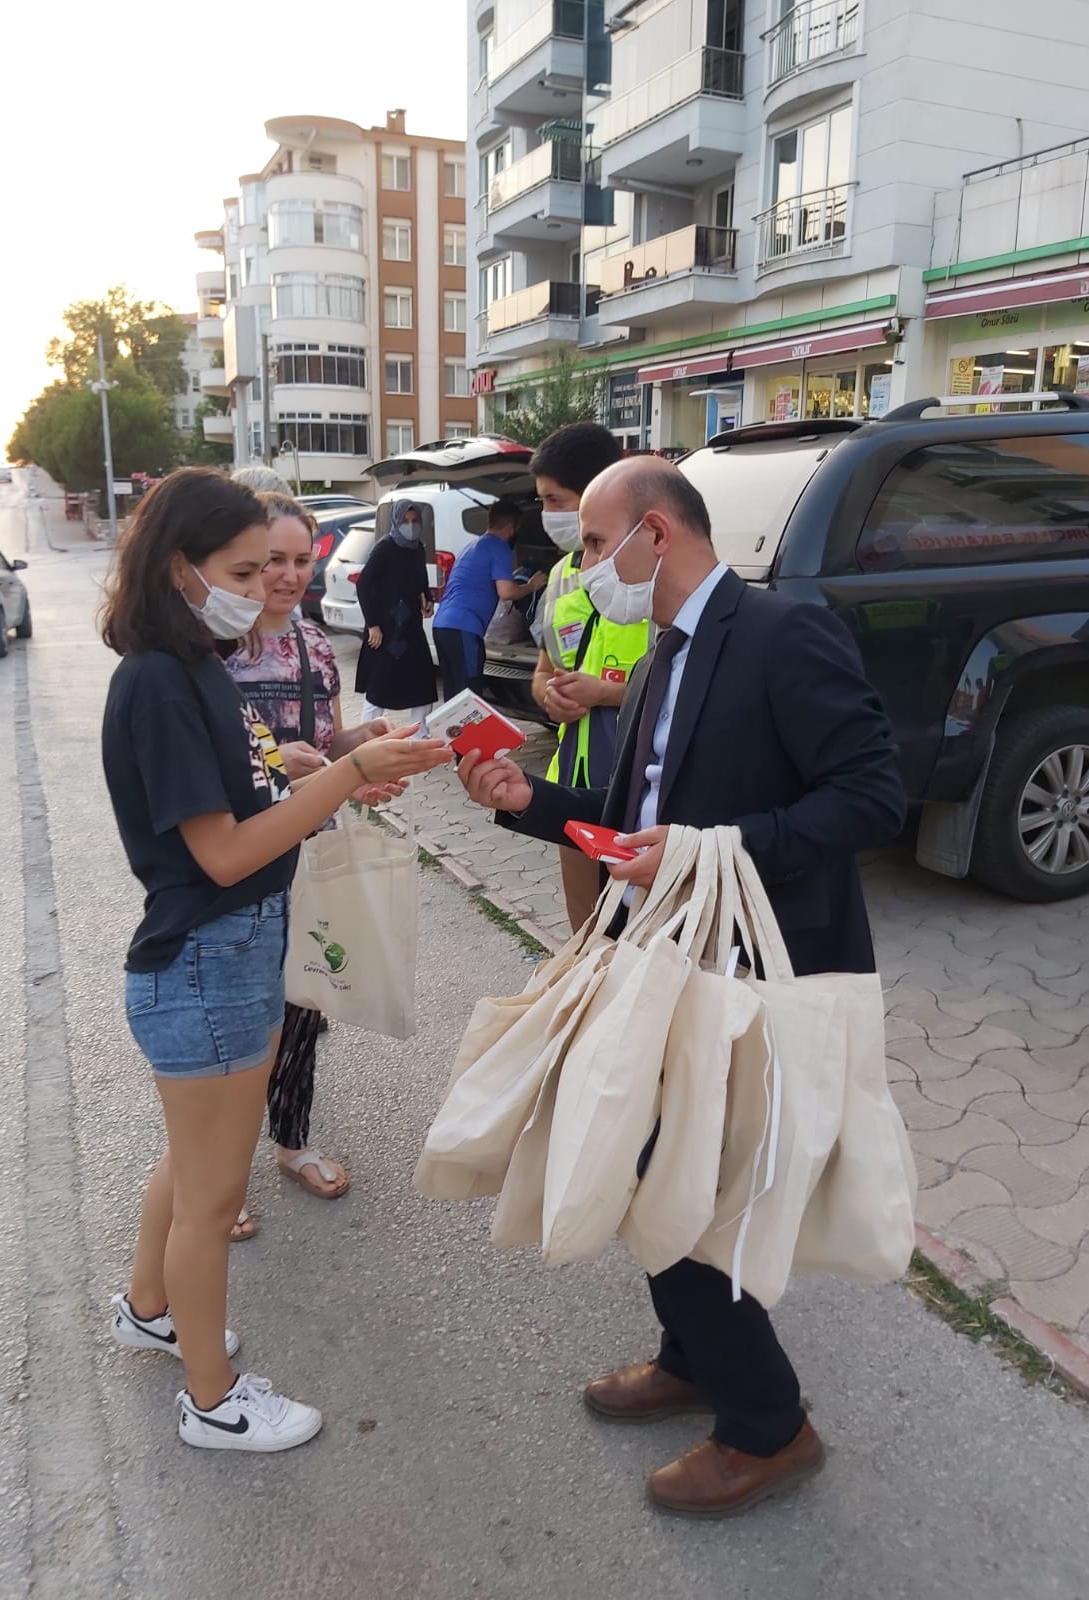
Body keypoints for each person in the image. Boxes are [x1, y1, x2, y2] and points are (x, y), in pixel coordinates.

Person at [459, 457, 906, 1516]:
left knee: (671, 1169)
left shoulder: (779, 634)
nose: (586, 565)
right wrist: (527, 800)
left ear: (656, 535)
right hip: (659, 952)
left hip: (751, 964)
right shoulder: (667, 650)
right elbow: (633, 826)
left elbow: (873, 797)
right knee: (666, 1161)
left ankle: (768, 1422)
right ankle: (691, 1354)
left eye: (593, 541)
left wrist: (714, 848)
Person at [100, 468, 450, 1452]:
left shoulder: (200, 666)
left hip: (231, 952)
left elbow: (244, 797)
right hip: (205, 961)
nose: (261, 588)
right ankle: (213, 1398)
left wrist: (312, 766)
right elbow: (222, 851)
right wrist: (344, 773)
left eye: (271, 569)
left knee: (195, 1160)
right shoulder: (160, 682)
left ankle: (148, 1307)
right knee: (213, 1197)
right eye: (243, 570)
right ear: (179, 568)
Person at [225, 491, 383, 1230]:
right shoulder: (214, 649)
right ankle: (214, 1178)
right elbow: (205, 761)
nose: (285, 576)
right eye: (271, 561)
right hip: (237, 857)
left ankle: (290, 1141)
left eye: (298, 559)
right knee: (240, 1014)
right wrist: (268, 756)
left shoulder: (317, 645)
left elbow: (329, 745)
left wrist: (368, 749)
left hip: (312, 852)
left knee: (306, 1001)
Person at [529, 424, 650, 931]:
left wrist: (606, 693)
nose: (547, 514)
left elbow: (689, 690)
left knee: (644, 938)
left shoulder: (653, 576)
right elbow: (543, 672)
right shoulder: (561, 575)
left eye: (555, 500)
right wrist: (550, 698)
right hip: (572, 787)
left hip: (641, 796)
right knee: (584, 936)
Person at [431, 498, 546, 701]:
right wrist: (531, 586)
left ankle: (453, 732)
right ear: (511, 528)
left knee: (454, 693)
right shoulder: (498, 547)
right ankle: (469, 733)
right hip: (463, 627)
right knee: (469, 693)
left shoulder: (473, 546)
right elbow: (506, 592)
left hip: (442, 626)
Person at [355, 500, 438, 732]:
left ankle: (419, 736)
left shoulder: (418, 549)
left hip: (410, 626)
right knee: (379, 685)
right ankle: (367, 736)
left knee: (422, 682)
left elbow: (421, 581)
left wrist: (427, 600)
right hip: (385, 629)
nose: (410, 526)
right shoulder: (385, 548)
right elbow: (363, 584)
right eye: (405, 521)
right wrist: (372, 624)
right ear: (396, 521)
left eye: (414, 521)